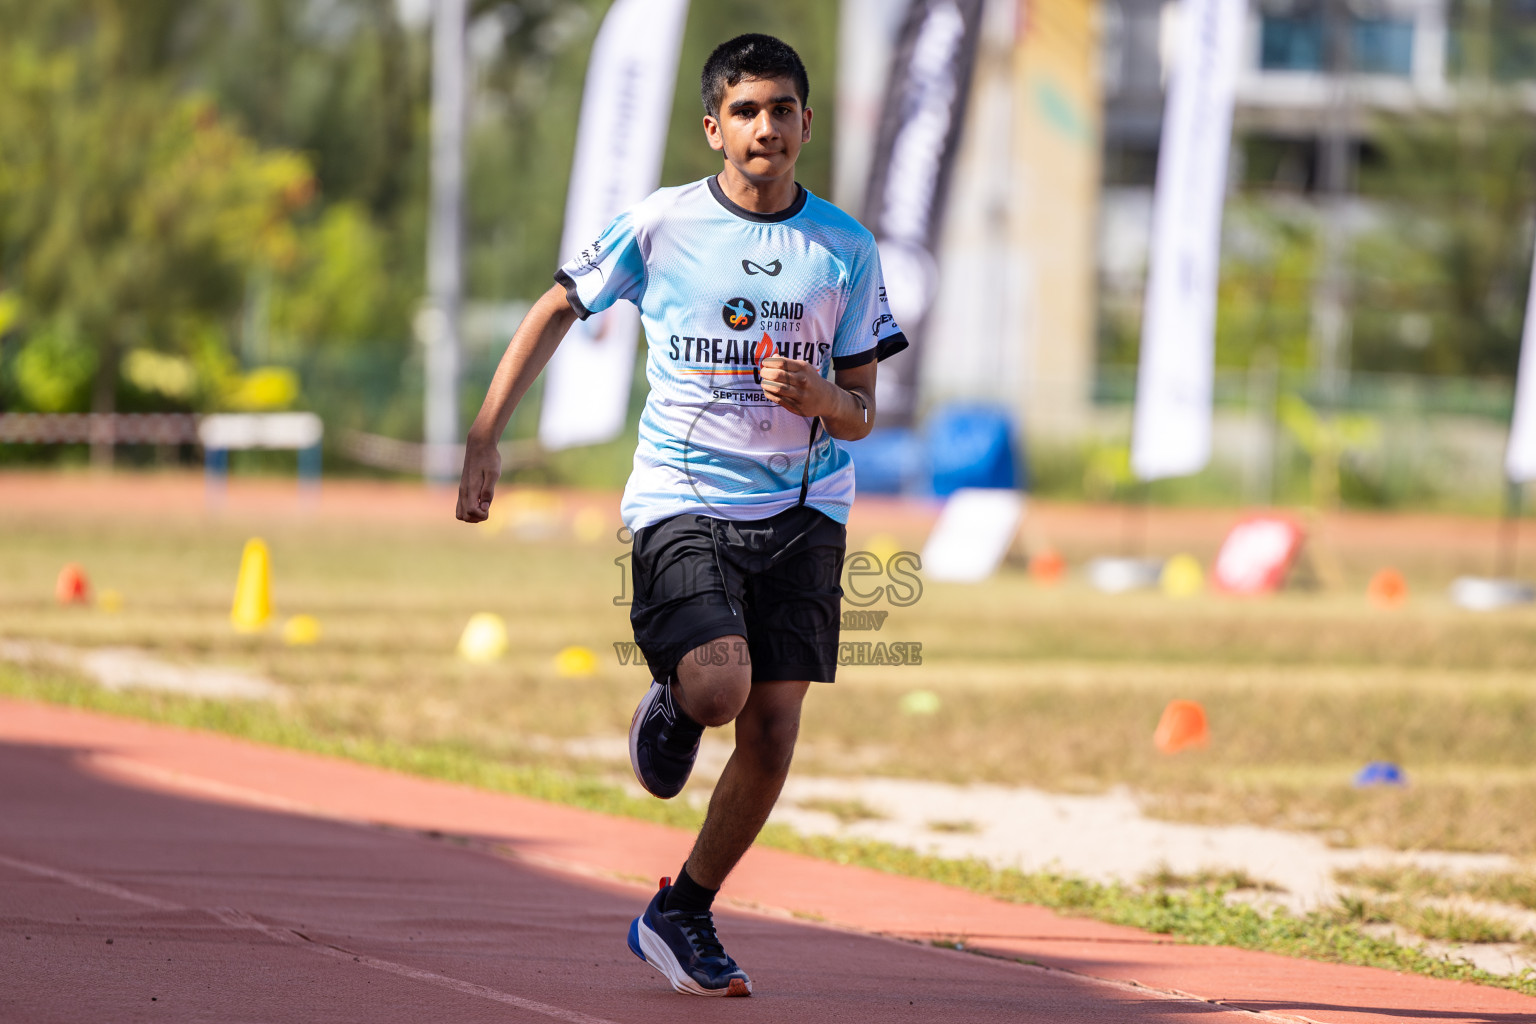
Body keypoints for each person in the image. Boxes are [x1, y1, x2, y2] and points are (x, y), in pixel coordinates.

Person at [455, 32, 905, 998]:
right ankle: (670, 700)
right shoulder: (660, 224)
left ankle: (683, 910)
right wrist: (487, 433)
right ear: (713, 127)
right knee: (716, 690)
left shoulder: (846, 248)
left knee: (773, 734)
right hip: (683, 500)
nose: (766, 127)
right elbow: (557, 307)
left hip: (807, 510)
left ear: (807, 125)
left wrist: (823, 402)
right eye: (746, 111)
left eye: (783, 109)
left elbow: (865, 411)